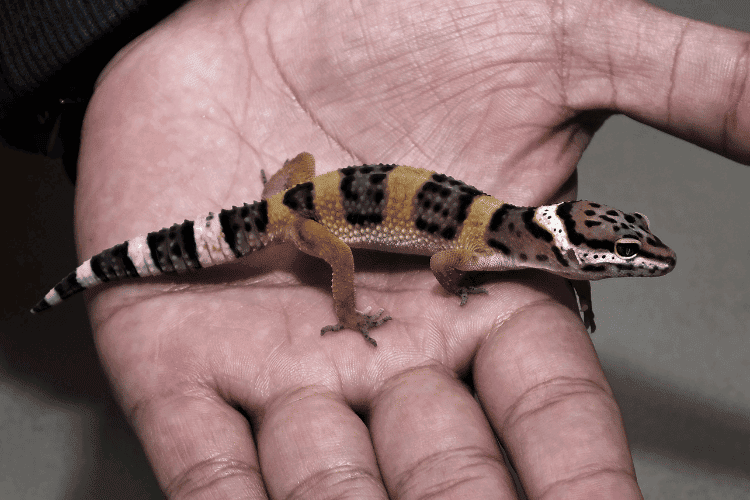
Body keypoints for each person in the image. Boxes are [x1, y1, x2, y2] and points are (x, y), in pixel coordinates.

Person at [27, 0, 750, 498]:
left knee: (301, 167)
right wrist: (432, 297)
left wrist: (584, 278)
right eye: (621, 252)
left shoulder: (524, 238)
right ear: (575, 247)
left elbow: (563, 257)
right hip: (297, 222)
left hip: (300, 189)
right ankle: (334, 310)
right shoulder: (478, 246)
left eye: (624, 250)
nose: (638, 258)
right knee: (338, 257)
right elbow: (441, 264)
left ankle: (233, 212)